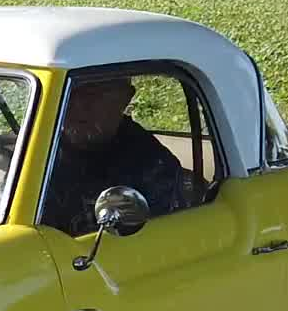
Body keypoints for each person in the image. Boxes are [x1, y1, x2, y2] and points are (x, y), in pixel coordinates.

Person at [40, 77, 186, 237]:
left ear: (125, 98)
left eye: (94, 95)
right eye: (71, 93)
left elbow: (162, 234)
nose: (78, 105)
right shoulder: (35, 147)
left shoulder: (149, 160)